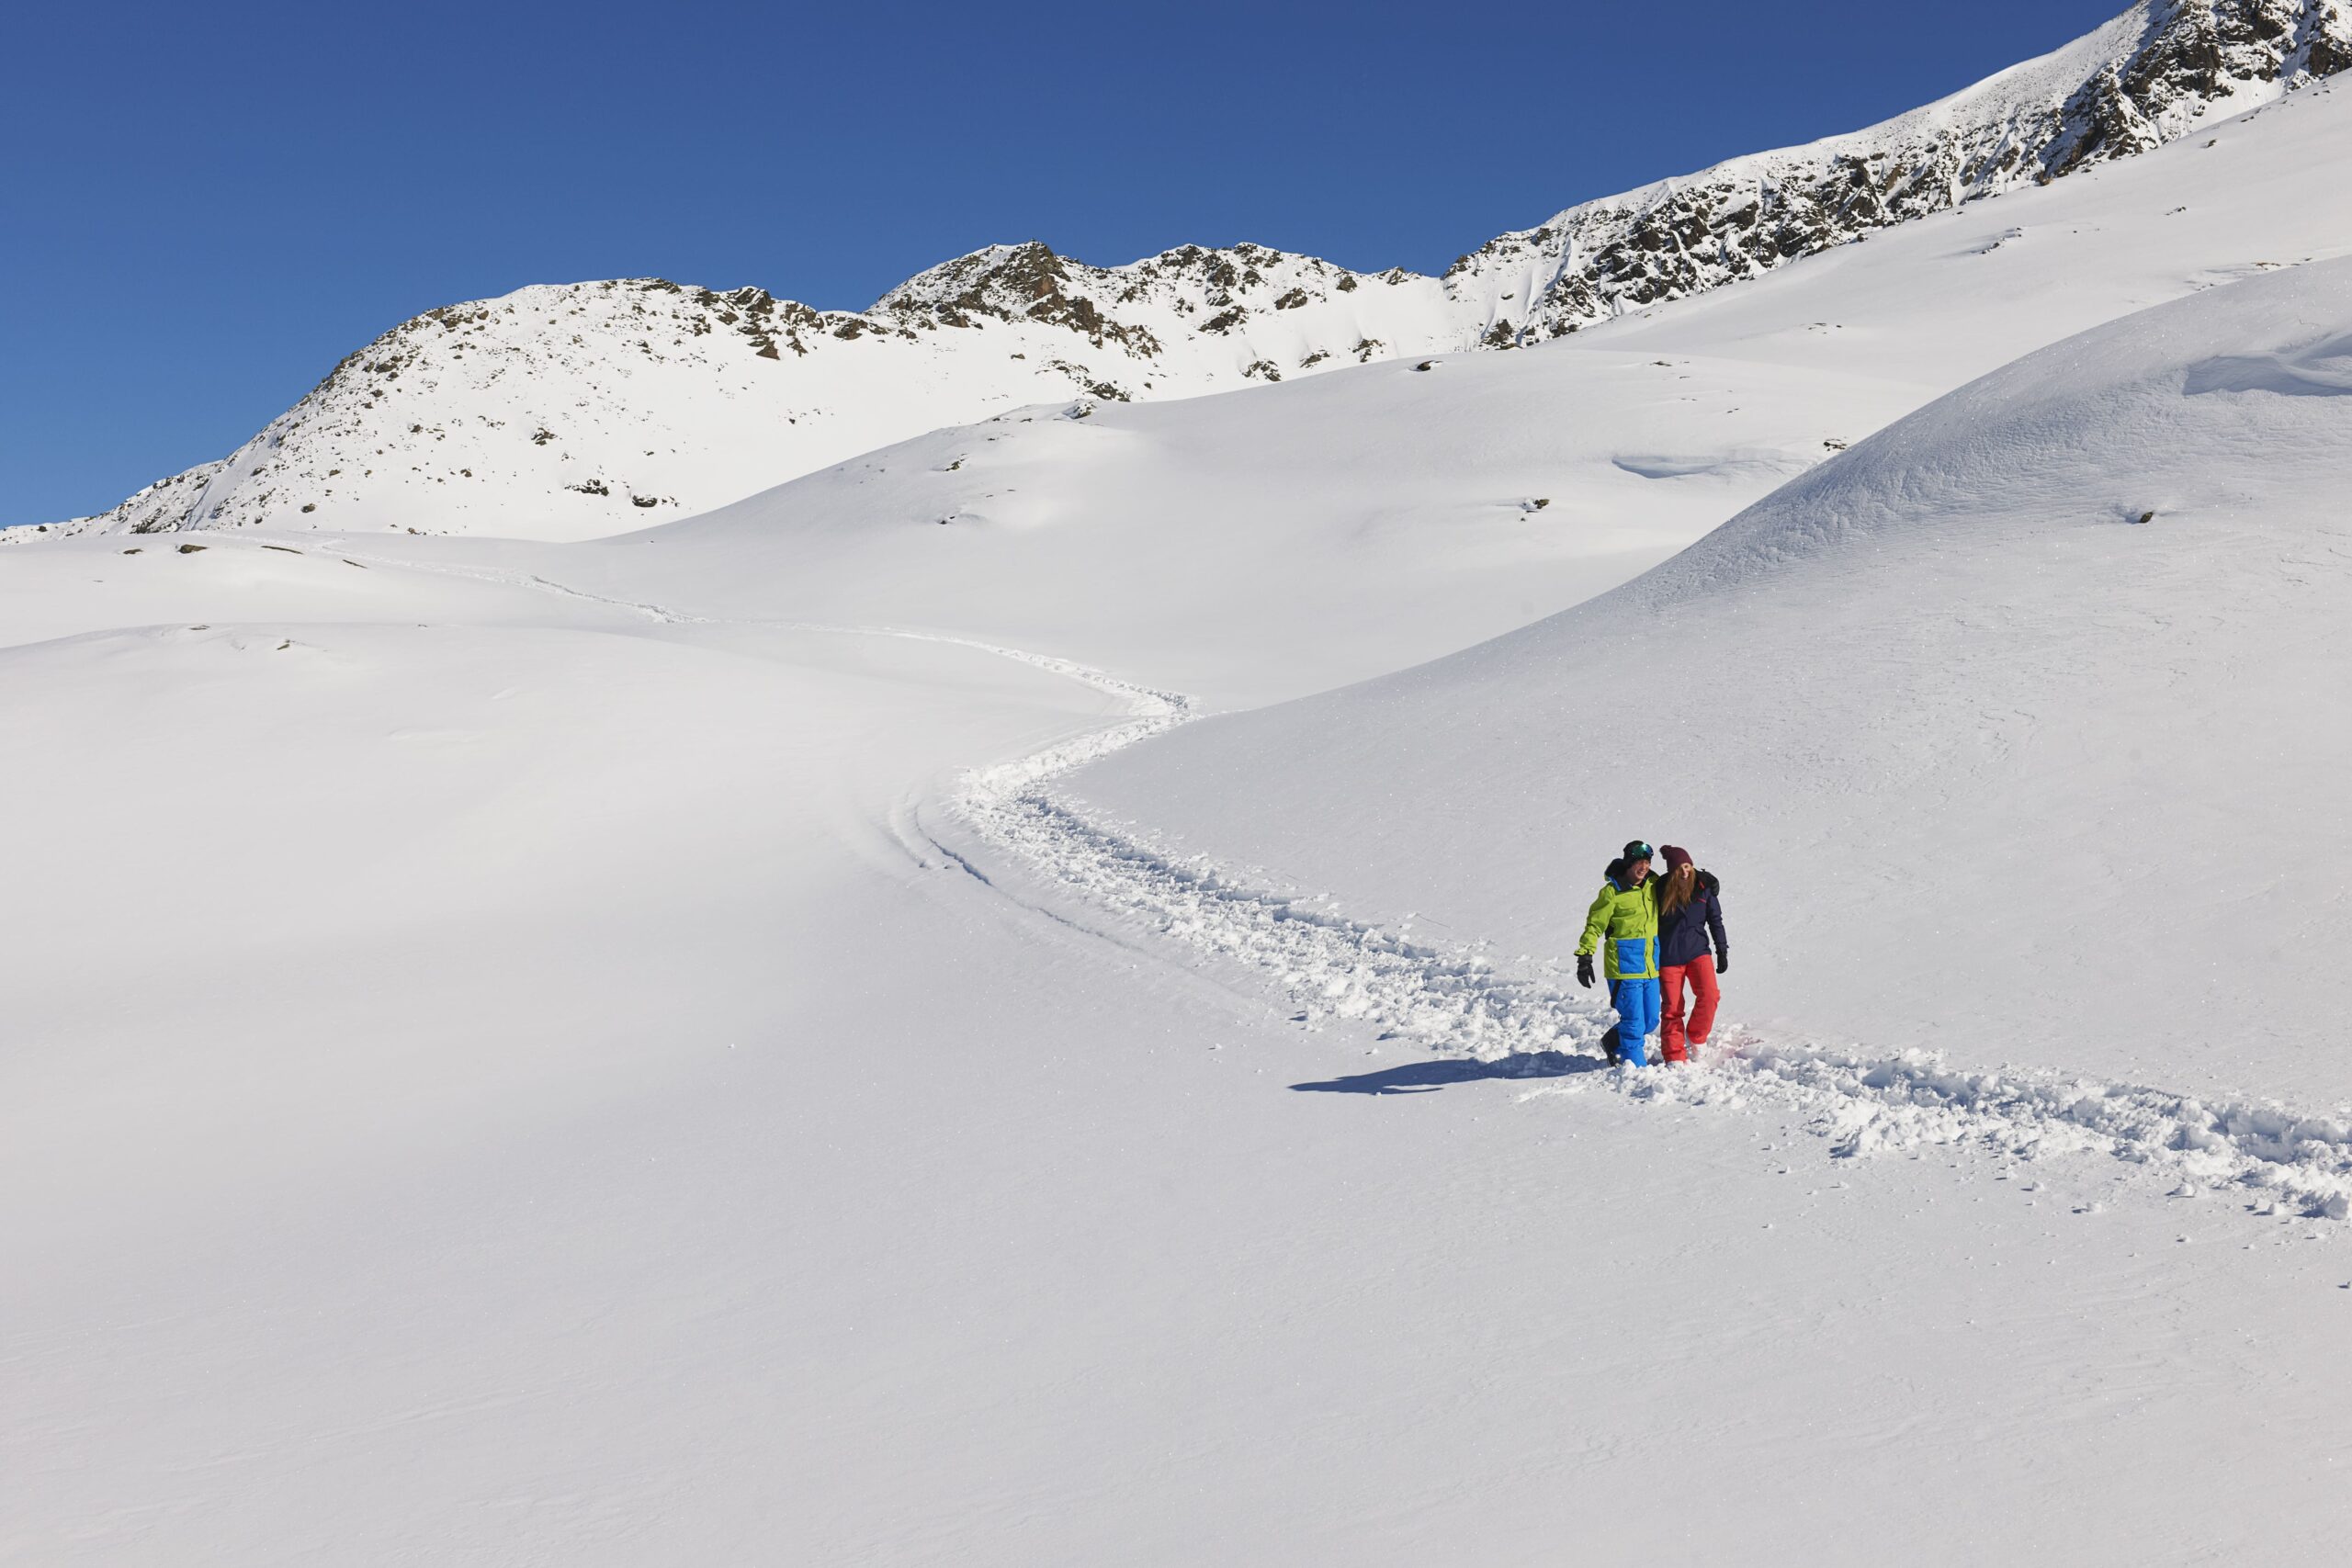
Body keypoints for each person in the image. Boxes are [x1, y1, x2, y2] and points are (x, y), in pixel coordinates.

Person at [1574, 840, 1662, 1066]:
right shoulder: (1612, 893)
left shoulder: (1654, 886)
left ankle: (1613, 1041)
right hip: (1624, 967)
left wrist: (1704, 880)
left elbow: (1681, 882)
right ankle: (1635, 1068)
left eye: (1647, 862)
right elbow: (1594, 925)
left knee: (1650, 1021)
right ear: (1628, 864)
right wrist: (1585, 957)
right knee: (1634, 1023)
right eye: (1639, 862)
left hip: (1650, 966)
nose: (1644, 867)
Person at [1653, 845, 1728, 1065]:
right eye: (1679, 868)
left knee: (1710, 995)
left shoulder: (1704, 887)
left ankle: (1696, 1036)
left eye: (1687, 866)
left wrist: (1722, 950)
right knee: (1672, 1009)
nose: (1685, 872)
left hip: (1697, 952)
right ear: (1672, 872)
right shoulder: (1659, 889)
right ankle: (1674, 1055)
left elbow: (1715, 920)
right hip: (1669, 957)